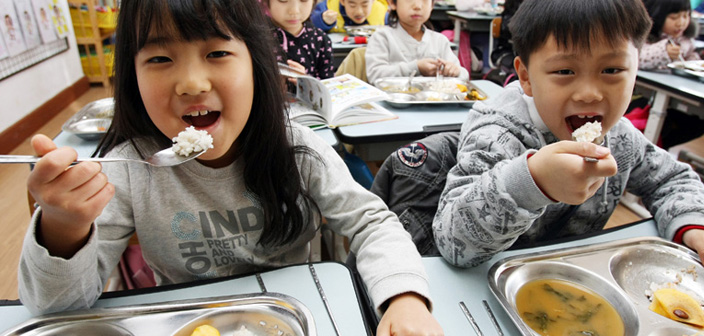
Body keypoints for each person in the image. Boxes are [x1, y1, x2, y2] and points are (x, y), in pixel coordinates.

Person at [18, 1, 444, 335]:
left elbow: (372, 222)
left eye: (217, 52)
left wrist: (403, 295)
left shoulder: (296, 150)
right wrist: (62, 227)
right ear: (131, 75)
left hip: (300, 314)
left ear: (256, 65)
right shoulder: (129, 168)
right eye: (160, 60)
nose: (192, 83)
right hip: (188, 321)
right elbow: (57, 309)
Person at [432, 0, 704, 274]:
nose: (590, 94)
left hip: (577, 277)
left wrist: (694, 223)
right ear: (525, 76)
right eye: (565, 71)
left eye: (612, 69)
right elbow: (453, 242)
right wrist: (532, 182)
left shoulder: (619, 137)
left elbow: (670, 179)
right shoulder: (498, 135)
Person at [638, 0, 704, 149]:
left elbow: (691, 58)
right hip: (645, 97)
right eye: (674, 18)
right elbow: (639, 59)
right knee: (662, 124)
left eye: (686, 16)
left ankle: (657, 148)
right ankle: (649, 147)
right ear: (657, 15)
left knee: (699, 124)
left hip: (676, 97)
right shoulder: (645, 37)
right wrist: (664, 51)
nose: (681, 23)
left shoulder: (685, 40)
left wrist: (696, 64)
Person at [365, 0, 469, 84]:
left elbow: (464, 75)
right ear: (392, 3)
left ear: (432, 5)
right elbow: (375, 75)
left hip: (433, 106)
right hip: (393, 107)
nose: (418, 6)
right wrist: (416, 67)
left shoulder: (439, 40)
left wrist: (455, 71)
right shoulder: (382, 38)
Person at [266, 0, 335, 79]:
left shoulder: (320, 40)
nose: (294, 11)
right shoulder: (257, 38)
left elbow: (327, 86)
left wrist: (307, 83)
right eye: (283, 0)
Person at [311, 0, 389, 33]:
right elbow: (308, 24)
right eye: (352, 5)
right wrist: (322, 20)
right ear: (342, 1)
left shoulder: (383, 12)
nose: (359, 12)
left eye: (364, 5)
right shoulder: (327, 7)